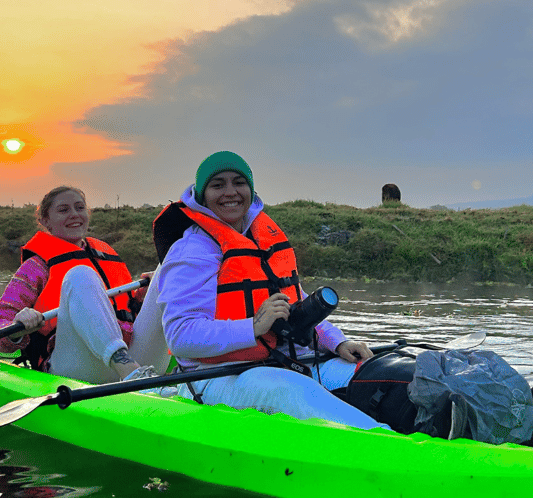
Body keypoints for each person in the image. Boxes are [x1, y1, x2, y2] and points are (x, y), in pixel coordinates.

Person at [150, 151, 389, 430]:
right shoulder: (190, 252)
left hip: (284, 360)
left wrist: (338, 342)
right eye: (218, 185)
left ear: (250, 189)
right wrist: (252, 327)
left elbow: (297, 305)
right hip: (215, 376)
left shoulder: (263, 241)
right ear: (203, 195)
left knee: (369, 372)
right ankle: (390, 443)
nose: (230, 192)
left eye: (239, 182)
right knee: (290, 389)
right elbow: (180, 336)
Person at [0, 185, 169, 386]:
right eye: (63, 210)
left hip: (139, 360)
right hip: (76, 368)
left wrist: (145, 294)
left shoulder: (106, 254)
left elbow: (129, 309)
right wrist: (18, 325)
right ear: (45, 221)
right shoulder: (35, 266)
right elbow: (0, 323)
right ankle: (128, 370)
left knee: (167, 269)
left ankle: (198, 364)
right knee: (79, 274)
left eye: (79, 208)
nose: (74, 215)